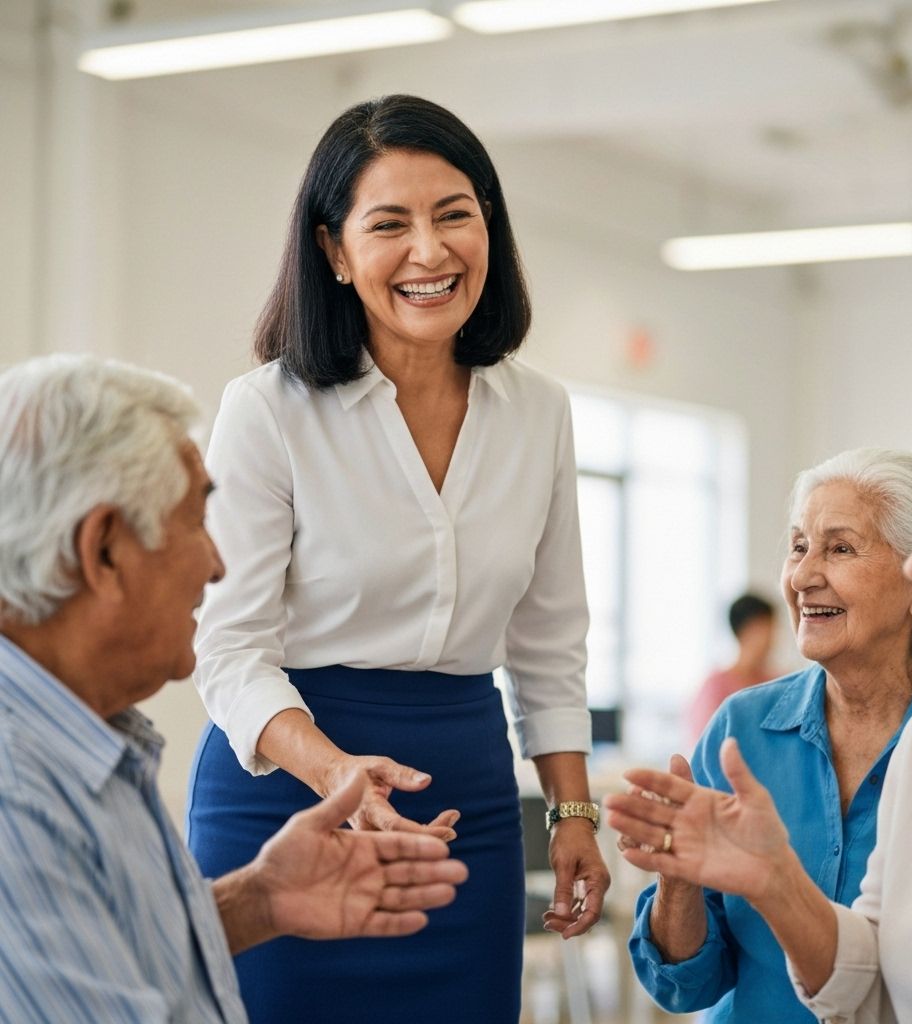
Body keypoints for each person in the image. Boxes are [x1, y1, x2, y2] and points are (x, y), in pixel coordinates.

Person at [186, 94, 609, 1024]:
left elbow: (549, 641)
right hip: (290, 801)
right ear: (334, 251)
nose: (430, 251)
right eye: (389, 225)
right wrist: (336, 772)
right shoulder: (268, 411)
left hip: (466, 795)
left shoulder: (538, 411)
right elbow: (229, 649)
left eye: (454, 214)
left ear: (488, 225)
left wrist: (572, 813)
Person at [0, 354, 468, 1023]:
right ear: (103, 549)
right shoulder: (17, 795)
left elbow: (112, 954)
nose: (217, 565)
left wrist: (257, 901)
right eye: (197, 521)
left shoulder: (78, 744)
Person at [605, 391, 912, 1024]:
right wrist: (683, 879)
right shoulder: (741, 729)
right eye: (798, 546)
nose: (802, 577)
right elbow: (686, 986)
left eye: (841, 548)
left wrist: (773, 878)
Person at [686, 592, 776, 747]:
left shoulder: (776, 682)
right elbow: (706, 743)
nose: (771, 638)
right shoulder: (715, 686)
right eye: (764, 628)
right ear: (745, 630)